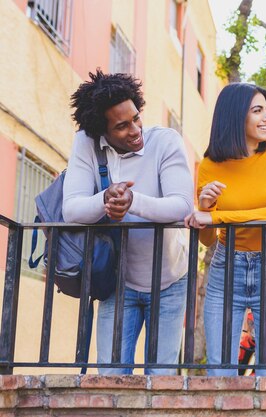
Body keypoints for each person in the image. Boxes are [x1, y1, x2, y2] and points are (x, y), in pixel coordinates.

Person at [63, 70, 194, 374]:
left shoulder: (165, 141)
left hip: (170, 280)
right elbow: (72, 209)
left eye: (136, 118)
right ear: (101, 130)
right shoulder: (86, 144)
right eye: (122, 126)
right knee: (110, 380)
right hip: (116, 284)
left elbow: (182, 204)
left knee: (160, 383)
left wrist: (134, 202)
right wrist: (105, 199)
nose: (135, 130)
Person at [185, 83, 266, 376]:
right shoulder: (210, 165)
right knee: (220, 374)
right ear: (235, 117)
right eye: (257, 110)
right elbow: (207, 238)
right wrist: (206, 207)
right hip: (225, 267)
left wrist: (218, 217)